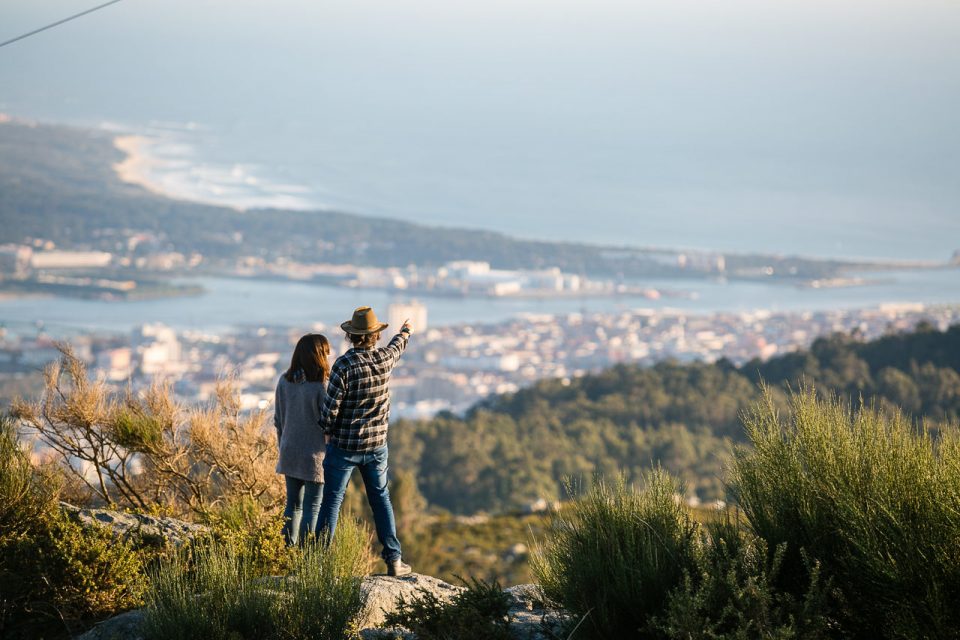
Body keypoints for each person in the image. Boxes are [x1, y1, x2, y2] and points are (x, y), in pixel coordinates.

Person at [317, 306, 413, 576]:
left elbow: (331, 407)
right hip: (376, 446)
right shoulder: (384, 359)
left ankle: (321, 564)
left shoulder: (344, 365)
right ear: (375, 336)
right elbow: (398, 346)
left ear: (351, 336)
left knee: (332, 501)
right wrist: (405, 331)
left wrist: (327, 428)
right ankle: (394, 560)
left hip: (344, 446)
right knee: (381, 499)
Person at [274, 333, 331, 546]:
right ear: (319, 356)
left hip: (289, 450)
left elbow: (278, 419)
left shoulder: (284, 381)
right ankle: (305, 557)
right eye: (326, 352)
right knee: (312, 507)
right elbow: (328, 422)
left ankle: (287, 551)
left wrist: (283, 444)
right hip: (314, 455)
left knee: (292, 506)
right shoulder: (321, 385)